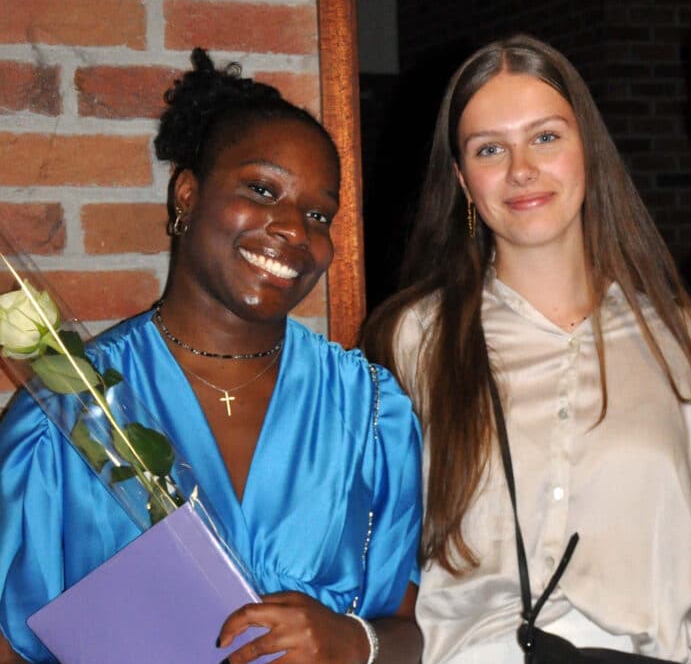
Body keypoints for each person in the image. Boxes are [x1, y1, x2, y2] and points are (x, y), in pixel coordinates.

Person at [0, 49, 423, 664]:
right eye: (262, 190)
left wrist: (353, 640)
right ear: (187, 195)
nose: (294, 229)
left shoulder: (371, 411)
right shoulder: (69, 410)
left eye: (318, 214)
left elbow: (410, 632)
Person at [361, 35, 691, 663]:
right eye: (490, 149)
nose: (521, 169)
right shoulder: (413, 341)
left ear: (588, 152)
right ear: (463, 180)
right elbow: (371, 554)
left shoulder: (685, 340)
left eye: (545, 137)